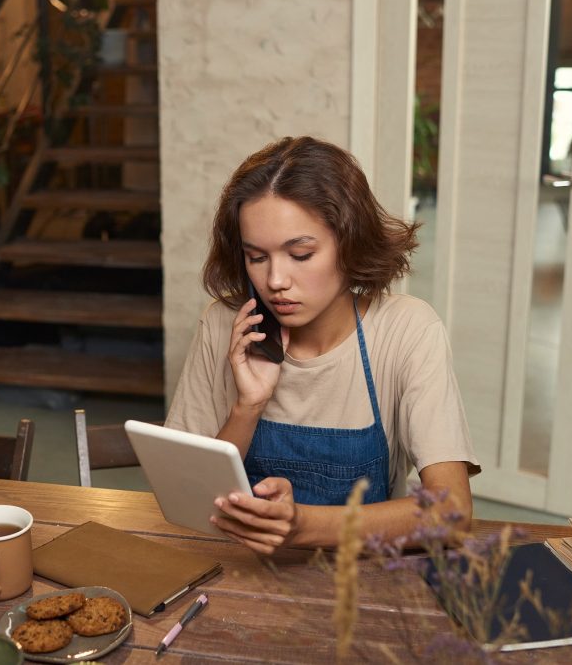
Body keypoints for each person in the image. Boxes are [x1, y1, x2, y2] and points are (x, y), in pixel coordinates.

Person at [165, 136, 480, 555]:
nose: (275, 280)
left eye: (300, 254)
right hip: (242, 570)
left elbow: (452, 513)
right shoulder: (222, 323)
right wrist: (248, 406)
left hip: (364, 577)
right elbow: (187, 496)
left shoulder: (407, 329)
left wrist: (304, 525)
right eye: (257, 257)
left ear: (349, 243)